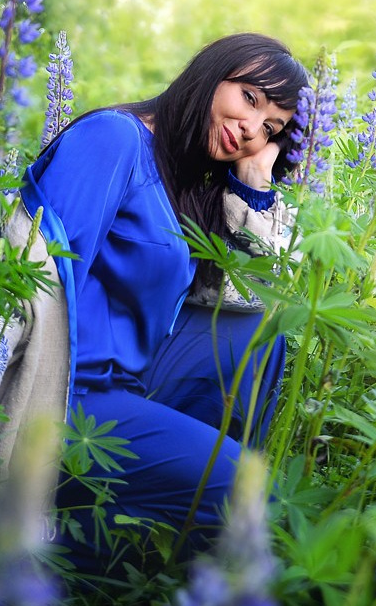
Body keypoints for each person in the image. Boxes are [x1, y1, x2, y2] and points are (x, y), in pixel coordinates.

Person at [18, 32, 308, 573]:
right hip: (63, 398)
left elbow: (259, 295)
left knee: (261, 336)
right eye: (249, 99)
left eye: (271, 128)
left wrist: (254, 187)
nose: (251, 130)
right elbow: (33, 281)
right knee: (245, 488)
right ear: (210, 73)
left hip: (126, 383)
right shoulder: (113, 140)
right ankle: (55, 559)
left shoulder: (186, 182)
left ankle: (163, 542)